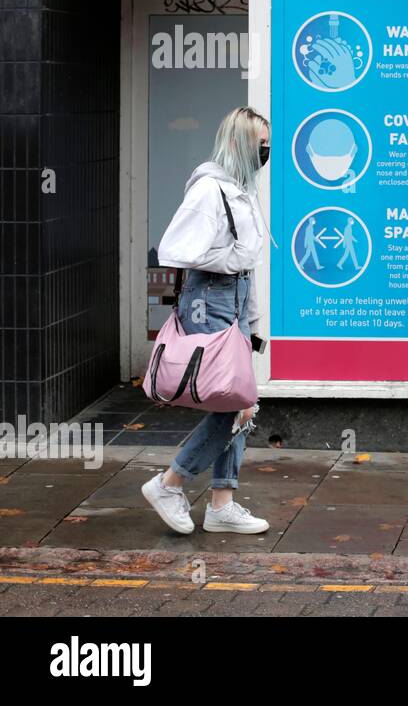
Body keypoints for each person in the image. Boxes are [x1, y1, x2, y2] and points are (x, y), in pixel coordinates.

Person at [141, 107, 271, 535]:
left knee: (236, 401)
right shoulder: (209, 189)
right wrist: (231, 259)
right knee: (236, 402)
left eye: (268, 142)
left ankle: (221, 504)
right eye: (259, 142)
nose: (265, 150)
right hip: (210, 299)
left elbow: (247, 265)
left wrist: (252, 323)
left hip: (232, 300)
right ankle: (170, 482)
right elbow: (175, 250)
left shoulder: (240, 189)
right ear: (237, 144)